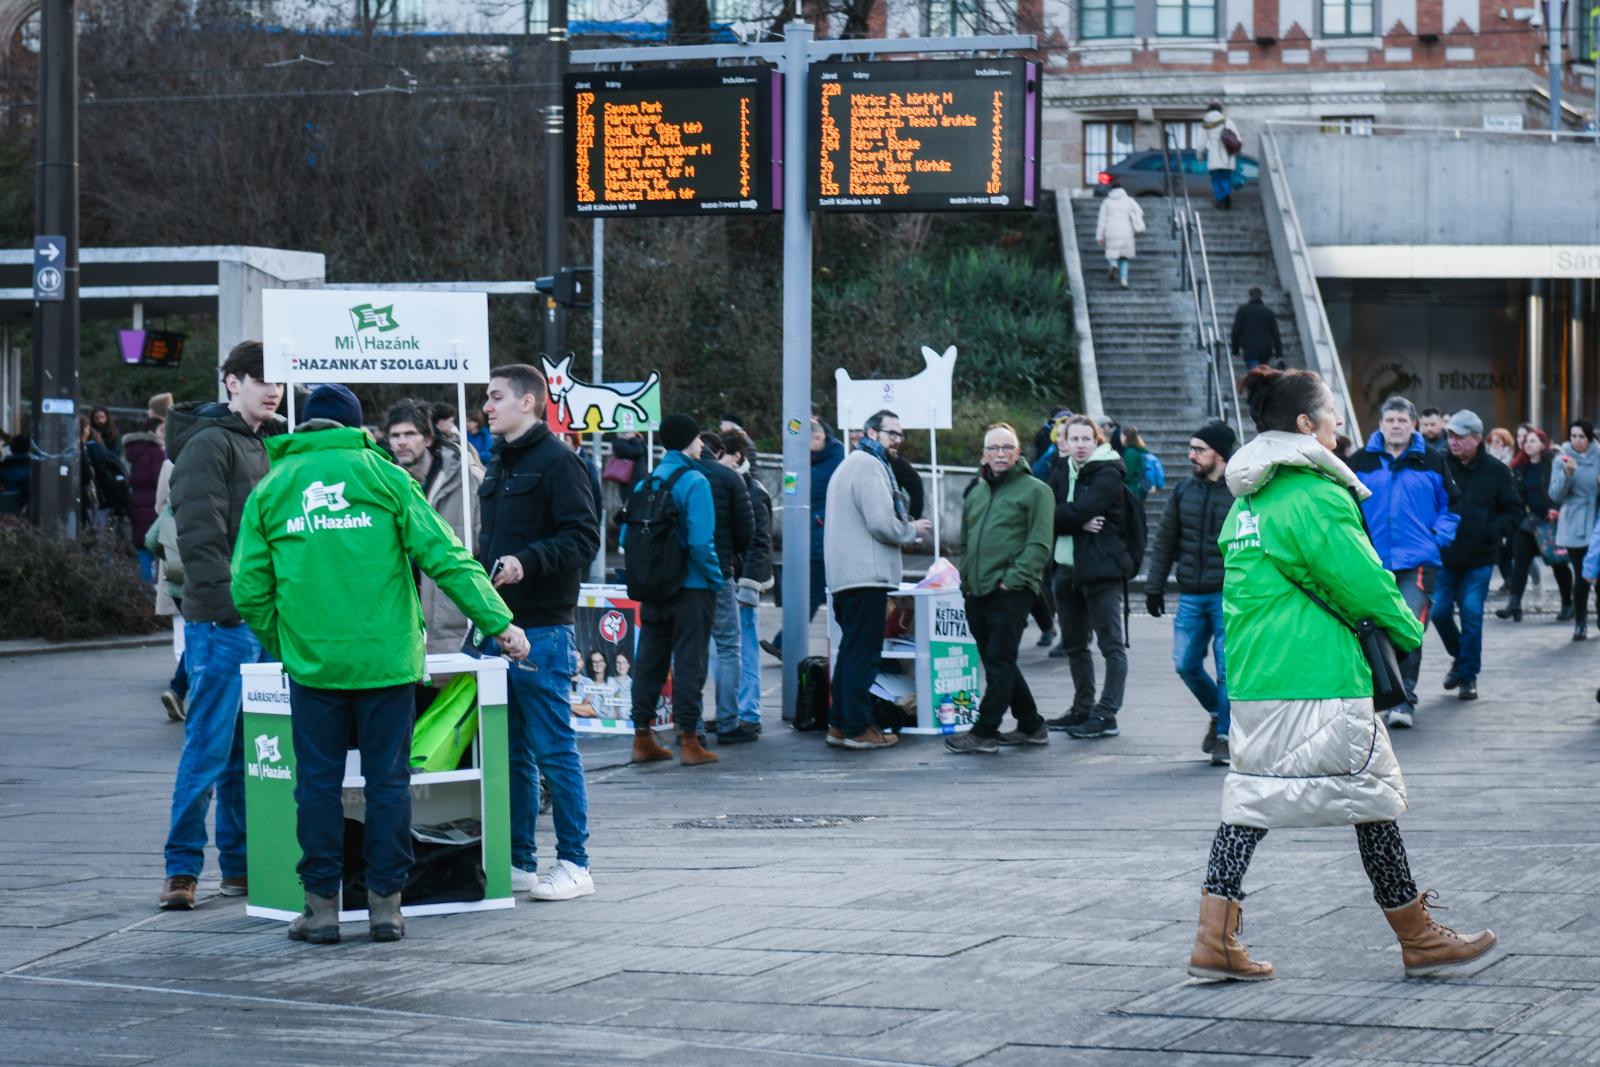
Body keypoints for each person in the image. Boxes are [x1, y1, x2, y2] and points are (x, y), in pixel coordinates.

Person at [1188, 365, 1496, 983]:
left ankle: (1214, 938)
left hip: (1258, 673)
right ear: (1305, 425)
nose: (1338, 422)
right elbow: (1363, 582)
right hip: (1318, 672)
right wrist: (1409, 633)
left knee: (1253, 798)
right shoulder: (1315, 493)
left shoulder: (1249, 499)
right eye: (1331, 411)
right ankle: (1418, 938)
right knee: (1369, 797)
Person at [231, 384, 526, 945]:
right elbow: (447, 556)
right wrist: (498, 622)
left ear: (305, 426)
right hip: (388, 662)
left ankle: (320, 911)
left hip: (314, 667)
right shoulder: (387, 478)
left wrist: (291, 642)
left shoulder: (271, 490)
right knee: (388, 784)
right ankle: (386, 908)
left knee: (315, 787)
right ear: (355, 427)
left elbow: (248, 590)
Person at [158, 341, 285, 911]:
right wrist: (233, 606)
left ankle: (239, 867)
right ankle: (182, 869)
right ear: (232, 382)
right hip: (226, 621)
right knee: (209, 747)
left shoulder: (264, 443)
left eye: (279, 380)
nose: (274, 389)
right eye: (262, 379)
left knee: (246, 751)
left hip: (259, 620)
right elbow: (201, 536)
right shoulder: (211, 442)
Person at [477, 364, 602, 900]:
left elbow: (583, 538)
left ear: (528, 402)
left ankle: (575, 862)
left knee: (553, 749)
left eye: (496, 397)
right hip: (496, 624)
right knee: (509, 753)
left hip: (544, 629)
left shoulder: (560, 463)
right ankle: (519, 860)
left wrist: (527, 562)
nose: (486, 406)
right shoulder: (498, 464)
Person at [1348, 396, 1460, 729]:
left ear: (1413, 425)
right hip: (1372, 562)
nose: (1396, 426)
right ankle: (1382, 694)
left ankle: (1404, 699)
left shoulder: (1432, 460)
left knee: (1409, 627)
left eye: (1402, 421)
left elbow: (1452, 505)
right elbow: (1345, 506)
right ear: (1380, 424)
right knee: (1374, 630)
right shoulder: (1360, 461)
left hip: (1419, 563)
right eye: (1390, 420)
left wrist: (1437, 537)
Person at [945, 423, 1054, 754]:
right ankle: (1032, 725)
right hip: (976, 591)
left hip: (1011, 591)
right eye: (994, 448)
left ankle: (985, 731)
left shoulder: (1036, 490)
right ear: (984, 454)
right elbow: (965, 539)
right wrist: (965, 579)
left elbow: (1039, 543)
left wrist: (1014, 579)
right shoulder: (977, 491)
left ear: (1018, 453)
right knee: (998, 661)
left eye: (1007, 448)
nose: (1000, 454)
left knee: (999, 660)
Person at [824, 410, 930, 750]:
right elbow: (883, 523)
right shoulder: (869, 467)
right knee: (863, 655)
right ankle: (857, 728)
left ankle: (839, 724)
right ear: (871, 432)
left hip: (848, 577)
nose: (897, 440)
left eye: (900, 434)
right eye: (891, 433)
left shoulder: (850, 464)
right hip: (865, 576)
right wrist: (912, 529)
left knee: (851, 652)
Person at [624, 413, 722, 766]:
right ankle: (690, 740)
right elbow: (699, 541)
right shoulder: (695, 481)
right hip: (691, 587)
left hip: (653, 588)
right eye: (698, 440)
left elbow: (625, 538)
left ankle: (641, 737)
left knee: (650, 661)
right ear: (691, 441)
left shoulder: (646, 483)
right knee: (690, 663)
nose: (701, 446)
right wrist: (716, 577)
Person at [1145, 421, 1237, 766]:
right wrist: (1155, 587)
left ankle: (1227, 735)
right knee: (1185, 663)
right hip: (1192, 595)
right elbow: (1165, 541)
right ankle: (1217, 711)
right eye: (1191, 448)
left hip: (1230, 596)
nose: (1191, 455)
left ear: (1221, 454)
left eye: (1199, 449)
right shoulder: (1184, 490)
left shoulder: (1241, 493)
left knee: (1229, 670)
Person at [1044, 415, 1135, 738]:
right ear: (1064, 442)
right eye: (1074, 439)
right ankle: (1082, 707)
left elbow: (1082, 509)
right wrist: (1075, 520)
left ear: (1096, 441)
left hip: (1101, 570)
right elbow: (1045, 512)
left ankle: (1107, 713)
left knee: (1111, 645)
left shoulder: (1108, 472)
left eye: (1086, 439)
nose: (1080, 445)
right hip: (1065, 569)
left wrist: (1069, 516)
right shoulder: (1059, 469)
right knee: (1074, 644)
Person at [1433, 411, 1521, 702]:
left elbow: (1513, 510)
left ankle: (1468, 677)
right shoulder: (1440, 463)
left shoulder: (1496, 471)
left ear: (1475, 438)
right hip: (1445, 555)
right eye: (1451, 436)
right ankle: (1461, 657)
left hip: (1480, 556)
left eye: (1459, 436)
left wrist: (1491, 531)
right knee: (1439, 612)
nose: (1453, 441)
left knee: (1471, 614)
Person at [383, 399, 482, 653]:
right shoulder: (384, 484)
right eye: (395, 435)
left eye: (410, 434)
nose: (401, 442)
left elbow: (485, 545)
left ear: (427, 439)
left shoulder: (467, 480)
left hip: (455, 621)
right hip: (401, 623)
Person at [763, 418, 844, 657]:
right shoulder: (816, 459)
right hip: (810, 539)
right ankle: (784, 643)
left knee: (808, 597)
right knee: (811, 597)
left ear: (818, 438)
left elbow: (801, 490)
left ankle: (784, 644)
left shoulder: (834, 461)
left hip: (820, 541)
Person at [695, 432, 755, 745]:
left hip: (685, 578)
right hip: (720, 571)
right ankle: (729, 721)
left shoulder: (679, 474)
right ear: (719, 451)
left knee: (690, 649)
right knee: (729, 646)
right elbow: (747, 529)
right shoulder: (729, 478)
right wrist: (730, 554)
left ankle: (691, 728)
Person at [719, 429, 772, 739]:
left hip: (741, 585)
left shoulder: (752, 491)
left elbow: (760, 543)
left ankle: (748, 711)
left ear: (736, 455)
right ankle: (735, 710)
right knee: (727, 650)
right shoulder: (734, 485)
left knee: (744, 648)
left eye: (720, 454)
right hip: (730, 581)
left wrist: (749, 585)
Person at [1500, 428, 1564, 624]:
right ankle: (1514, 603)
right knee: (1521, 561)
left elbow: (1560, 489)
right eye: (1526, 441)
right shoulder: (1519, 466)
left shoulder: (1553, 463)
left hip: (1551, 521)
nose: (1527, 444)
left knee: (1557, 564)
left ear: (1543, 444)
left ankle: (1568, 603)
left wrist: (1555, 509)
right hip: (1528, 521)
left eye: (1533, 441)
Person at [1546, 419, 1600, 638]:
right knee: (1582, 575)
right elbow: (1555, 495)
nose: (1577, 441)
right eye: (1573, 436)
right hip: (1575, 522)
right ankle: (1580, 621)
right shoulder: (1562, 459)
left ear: (1590, 438)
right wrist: (1567, 475)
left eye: (1581, 436)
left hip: (1596, 520)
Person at [124, 417, 167, 580]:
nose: (164, 433)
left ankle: (143, 588)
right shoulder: (156, 452)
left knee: (143, 549)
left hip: (136, 503)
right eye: (162, 430)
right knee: (156, 548)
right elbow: (160, 480)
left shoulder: (133, 450)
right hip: (152, 505)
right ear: (152, 431)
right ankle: (151, 592)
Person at [1095, 182, 1145, 289]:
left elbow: (1102, 221)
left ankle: (1113, 264)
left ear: (1111, 190)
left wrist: (1099, 236)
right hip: (1126, 231)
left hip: (1111, 230)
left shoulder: (1107, 202)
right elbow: (1139, 212)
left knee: (1112, 253)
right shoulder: (1129, 200)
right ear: (1122, 190)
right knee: (1124, 257)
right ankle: (1124, 280)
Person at [1230, 287, 1282, 370]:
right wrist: (1279, 354)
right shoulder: (1268, 312)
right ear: (1261, 296)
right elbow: (1276, 334)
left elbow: (1236, 332)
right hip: (1266, 352)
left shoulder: (1243, 311)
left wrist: (1235, 351)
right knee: (1264, 375)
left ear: (1250, 296)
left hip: (1250, 351)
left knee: (1255, 376)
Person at [1201, 103, 1241, 210]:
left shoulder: (1206, 123)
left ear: (1209, 111)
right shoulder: (1228, 121)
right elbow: (1238, 139)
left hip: (1214, 157)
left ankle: (1220, 199)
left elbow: (1201, 142)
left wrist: (1199, 154)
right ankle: (1226, 194)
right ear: (1220, 111)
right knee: (1226, 178)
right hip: (1228, 157)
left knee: (1216, 180)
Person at [1120, 423, 1155, 499]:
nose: (1120, 438)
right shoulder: (1139, 449)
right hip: (1139, 488)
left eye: (1121, 435)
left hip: (1133, 490)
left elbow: (1128, 474)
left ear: (1126, 436)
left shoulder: (1130, 453)